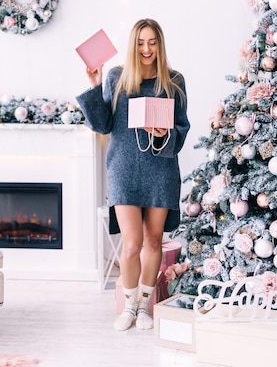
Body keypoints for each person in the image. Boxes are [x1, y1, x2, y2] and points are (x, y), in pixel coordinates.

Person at [76, 19, 190, 331]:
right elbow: (102, 125)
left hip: (160, 170)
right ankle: (128, 306)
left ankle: (144, 307)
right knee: (131, 244)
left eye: (152, 42)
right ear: (133, 44)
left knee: (154, 241)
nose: (147, 48)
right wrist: (95, 85)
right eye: (141, 42)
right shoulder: (117, 76)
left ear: (160, 44)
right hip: (124, 169)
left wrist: (164, 132)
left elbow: (182, 127)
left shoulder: (174, 81)